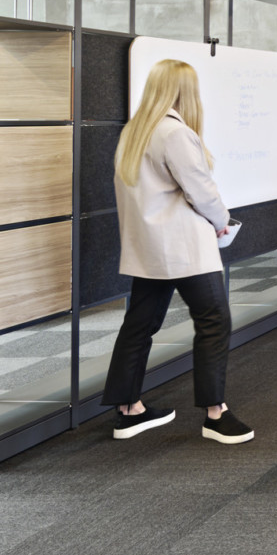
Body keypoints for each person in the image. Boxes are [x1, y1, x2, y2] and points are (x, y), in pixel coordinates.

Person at [102, 59, 253, 444]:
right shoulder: (174, 133)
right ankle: (215, 415)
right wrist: (222, 220)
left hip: (149, 248)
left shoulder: (134, 133)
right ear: (185, 92)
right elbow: (201, 189)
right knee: (214, 320)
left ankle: (128, 410)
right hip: (184, 248)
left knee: (139, 325)